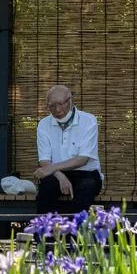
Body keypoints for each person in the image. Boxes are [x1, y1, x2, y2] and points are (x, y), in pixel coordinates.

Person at [33, 85, 103, 214]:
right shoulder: (43, 124)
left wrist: (52, 168)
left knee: (85, 188)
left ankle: (77, 233)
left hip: (86, 172)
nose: (57, 110)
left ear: (70, 101)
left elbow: (82, 159)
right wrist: (60, 176)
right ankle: (44, 231)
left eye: (60, 104)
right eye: (51, 106)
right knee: (46, 188)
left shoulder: (88, 120)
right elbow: (44, 161)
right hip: (56, 174)